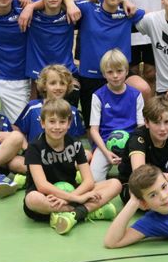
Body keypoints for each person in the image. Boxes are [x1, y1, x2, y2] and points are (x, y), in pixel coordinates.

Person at [23, 98, 122, 235]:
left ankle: (68, 214)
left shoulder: (75, 144)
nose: (57, 126)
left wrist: (68, 197)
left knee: (115, 184)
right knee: (31, 199)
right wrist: (77, 199)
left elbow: (88, 181)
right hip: (46, 196)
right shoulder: (34, 147)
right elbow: (42, 185)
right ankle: (85, 211)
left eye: (62, 122)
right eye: (52, 121)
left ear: (69, 123)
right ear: (43, 123)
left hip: (71, 192)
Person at [117, 96, 168, 200]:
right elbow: (142, 176)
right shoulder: (138, 138)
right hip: (134, 187)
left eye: (167, 122)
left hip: (161, 182)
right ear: (146, 123)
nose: (163, 128)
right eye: (156, 123)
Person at [90, 50, 145, 181]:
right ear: (103, 74)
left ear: (127, 71)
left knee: (140, 178)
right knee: (94, 179)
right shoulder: (98, 96)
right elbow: (93, 130)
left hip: (131, 144)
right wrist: (106, 152)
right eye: (110, 72)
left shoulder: (136, 95)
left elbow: (141, 126)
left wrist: (134, 148)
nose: (115, 76)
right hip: (105, 144)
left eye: (119, 71)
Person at [14, 64, 87, 144]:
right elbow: (17, 129)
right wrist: (27, 148)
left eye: (62, 83)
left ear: (68, 86)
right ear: (44, 86)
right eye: (53, 83)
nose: (58, 87)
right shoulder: (33, 107)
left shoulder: (72, 111)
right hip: (34, 154)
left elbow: (75, 139)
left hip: (61, 155)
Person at [24, 0, 78, 81]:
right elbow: (5, 1)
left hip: (66, 72)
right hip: (38, 74)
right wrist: (28, 5)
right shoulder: (30, 11)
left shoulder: (73, 11)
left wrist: (122, 2)